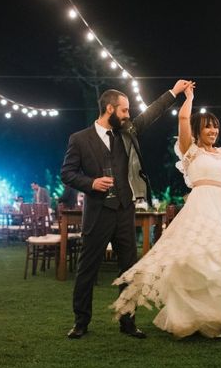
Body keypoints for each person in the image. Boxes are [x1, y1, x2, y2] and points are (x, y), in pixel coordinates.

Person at [111, 84, 221, 338]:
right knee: (195, 263)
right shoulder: (190, 151)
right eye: (208, 126)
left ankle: (219, 318)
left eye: (215, 126)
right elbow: (184, 118)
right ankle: (192, 318)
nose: (213, 130)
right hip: (197, 211)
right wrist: (189, 97)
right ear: (198, 130)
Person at [61, 79, 193, 339]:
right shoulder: (79, 139)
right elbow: (67, 173)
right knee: (87, 270)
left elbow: (151, 113)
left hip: (124, 212)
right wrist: (91, 183)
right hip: (97, 213)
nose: (128, 114)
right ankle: (81, 323)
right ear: (109, 109)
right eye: (124, 110)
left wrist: (175, 92)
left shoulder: (128, 131)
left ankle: (128, 322)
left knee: (129, 270)